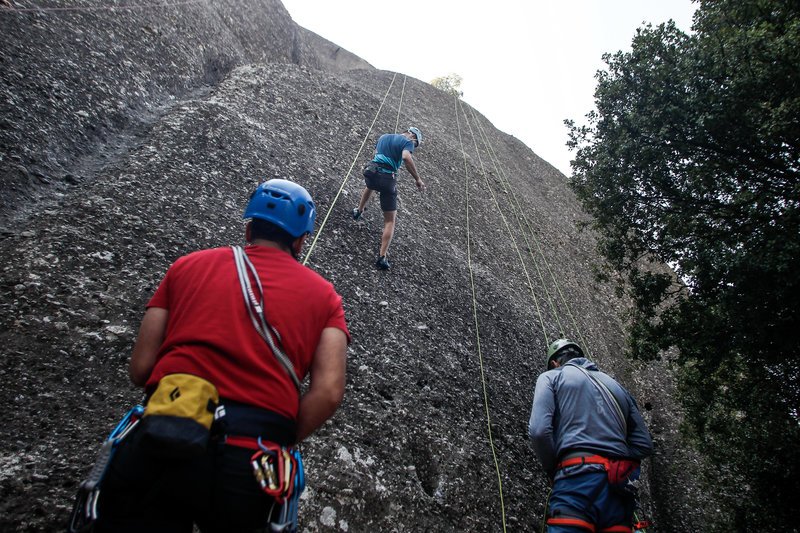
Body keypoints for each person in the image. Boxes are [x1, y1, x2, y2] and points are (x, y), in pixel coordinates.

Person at [94, 179, 350, 532]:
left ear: (248, 226)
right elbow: (329, 391)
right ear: (301, 239)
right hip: (250, 460)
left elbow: (141, 368)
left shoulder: (186, 266)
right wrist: (280, 437)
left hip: (162, 436)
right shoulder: (326, 298)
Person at [528, 339, 653, 533]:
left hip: (576, 478)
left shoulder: (551, 377)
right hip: (617, 486)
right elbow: (644, 444)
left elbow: (539, 430)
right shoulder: (617, 387)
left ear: (554, 363)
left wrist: (551, 469)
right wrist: (614, 450)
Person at [352, 126, 426, 270]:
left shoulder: (384, 136)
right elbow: (406, 156)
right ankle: (382, 257)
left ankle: (358, 211)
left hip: (371, 171)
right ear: (412, 136)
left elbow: (376, 154)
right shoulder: (408, 141)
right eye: (415, 144)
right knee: (390, 220)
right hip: (387, 178)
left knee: (370, 185)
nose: (413, 147)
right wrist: (417, 179)